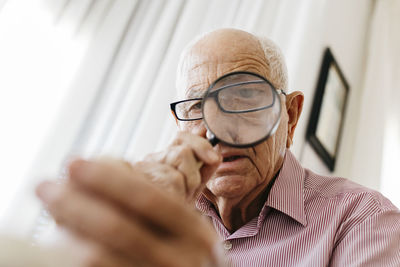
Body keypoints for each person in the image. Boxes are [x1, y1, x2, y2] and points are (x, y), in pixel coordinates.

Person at [36, 28, 400, 266]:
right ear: (179, 124)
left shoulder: (362, 220)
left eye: (245, 97)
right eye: (197, 106)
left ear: (289, 116)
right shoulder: (148, 206)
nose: (220, 130)